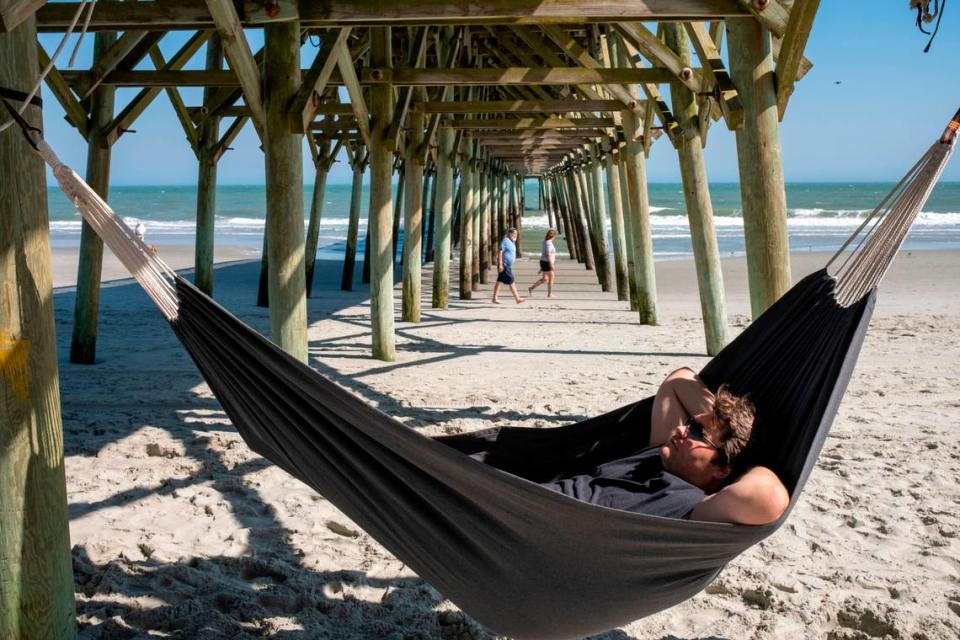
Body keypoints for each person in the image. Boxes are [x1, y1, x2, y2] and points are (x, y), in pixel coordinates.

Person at [541, 368, 790, 525]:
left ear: (722, 469)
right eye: (692, 423)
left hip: (540, 522)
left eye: (696, 432)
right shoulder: (660, 451)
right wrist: (714, 418)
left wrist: (744, 454)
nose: (682, 429)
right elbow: (678, 380)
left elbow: (769, 497)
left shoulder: (691, 506)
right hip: (528, 499)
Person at [491, 227, 525, 304]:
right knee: (511, 280)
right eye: (514, 233)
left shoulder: (511, 242)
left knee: (499, 281)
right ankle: (517, 298)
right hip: (504, 265)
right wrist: (500, 264)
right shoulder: (505, 240)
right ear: (509, 233)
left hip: (507, 265)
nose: (515, 235)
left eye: (516, 234)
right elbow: (500, 251)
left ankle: (494, 298)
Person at [527, 229, 557, 297]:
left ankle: (531, 288)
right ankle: (549, 294)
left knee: (545, 279)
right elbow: (547, 254)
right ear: (554, 236)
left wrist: (541, 267)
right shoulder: (549, 243)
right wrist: (551, 264)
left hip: (543, 262)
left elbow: (544, 254)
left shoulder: (544, 241)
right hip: (547, 262)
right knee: (551, 278)